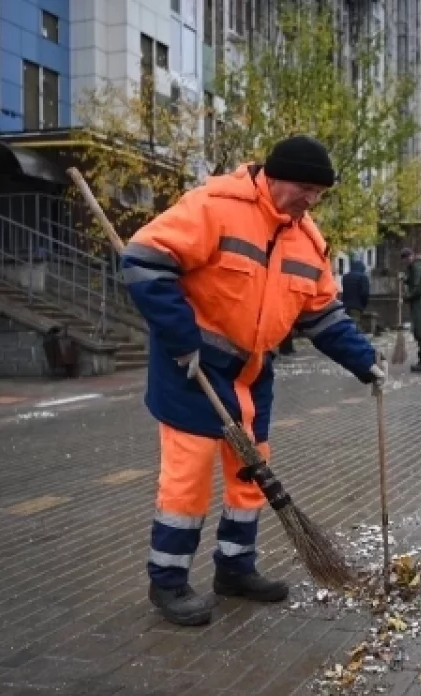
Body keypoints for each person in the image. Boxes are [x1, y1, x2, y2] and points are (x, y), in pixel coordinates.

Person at [120, 134, 387, 626]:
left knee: (250, 480)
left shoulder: (307, 239)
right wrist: (182, 341)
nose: (311, 200)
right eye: (305, 188)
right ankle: (169, 582)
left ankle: (235, 569)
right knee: (188, 482)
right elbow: (144, 262)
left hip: (251, 375)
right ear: (274, 177)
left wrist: (364, 360)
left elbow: (322, 315)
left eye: (319, 193)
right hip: (191, 372)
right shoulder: (214, 207)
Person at [341, 257, 370, 325]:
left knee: (346, 327)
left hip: (344, 307)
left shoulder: (345, 277)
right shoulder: (363, 277)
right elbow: (365, 293)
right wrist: (363, 305)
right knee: (354, 327)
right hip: (356, 307)